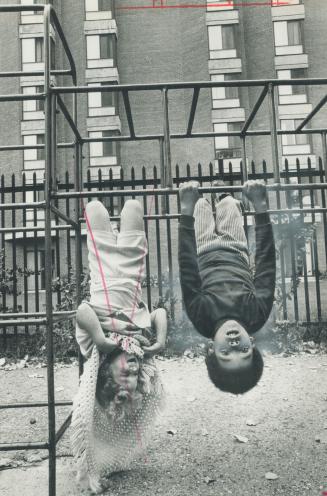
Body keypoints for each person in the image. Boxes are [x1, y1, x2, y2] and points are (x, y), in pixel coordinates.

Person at [71, 199, 167, 494]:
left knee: (95, 207)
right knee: (134, 208)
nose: (135, 372)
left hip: (103, 270)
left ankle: (100, 211)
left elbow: (81, 311)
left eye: (125, 375)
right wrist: (159, 341)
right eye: (136, 379)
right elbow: (158, 313)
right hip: (131, 270)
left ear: (106, 374)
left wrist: (102, 338)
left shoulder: (96, 350)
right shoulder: (137, 346)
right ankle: (125, 214)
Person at [178, 179, 276, 394]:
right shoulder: (256, 315)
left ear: (211, 349)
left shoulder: (201, 318)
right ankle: (222, 195)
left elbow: (188, 271)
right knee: (229, 206)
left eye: (226, 353)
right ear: (252, 343)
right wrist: (261, 206)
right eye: (243, 350)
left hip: (202, 248)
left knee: (200, 207)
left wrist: (186, 211)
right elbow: (266, 267)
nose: (234, 344)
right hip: (235, 247)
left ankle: (204, 197)